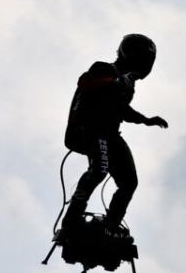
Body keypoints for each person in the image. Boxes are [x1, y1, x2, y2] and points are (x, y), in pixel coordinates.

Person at [61, 33, 168, 239]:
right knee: (100, 170)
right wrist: (117, 82)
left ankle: (110, 226)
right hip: (86, 130)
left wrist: (145, 120)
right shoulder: (105, 68)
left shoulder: (128, 83)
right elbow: (85, 83)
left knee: (129, 182)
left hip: (108, 134)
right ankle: (71, 219)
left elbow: (121, 110)